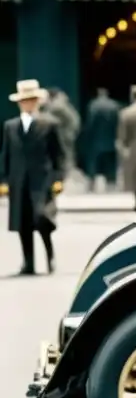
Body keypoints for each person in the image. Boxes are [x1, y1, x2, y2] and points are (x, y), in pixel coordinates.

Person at [0, 79, 65, 275]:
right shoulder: (10, 126)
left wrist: (58, 179)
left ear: (37, 101)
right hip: (19, 181)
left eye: (31, 100)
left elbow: (58, 154)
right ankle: (28, 263)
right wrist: (3, 181)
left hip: (42, 180)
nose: (27, 104)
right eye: (24, 100)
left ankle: (50, 257)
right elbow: (6, 155)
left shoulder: (49, 124)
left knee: (42, 220)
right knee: (23, 223)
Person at [81, 88, 121, 192]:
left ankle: (91, 185)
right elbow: (118, 124)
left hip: (95, 141)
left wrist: (86, 139)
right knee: (110, 165)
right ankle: (111, 186)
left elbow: (89, 124)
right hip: (111, 141)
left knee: (93, 164)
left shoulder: (93, 105)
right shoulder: (114, 105)